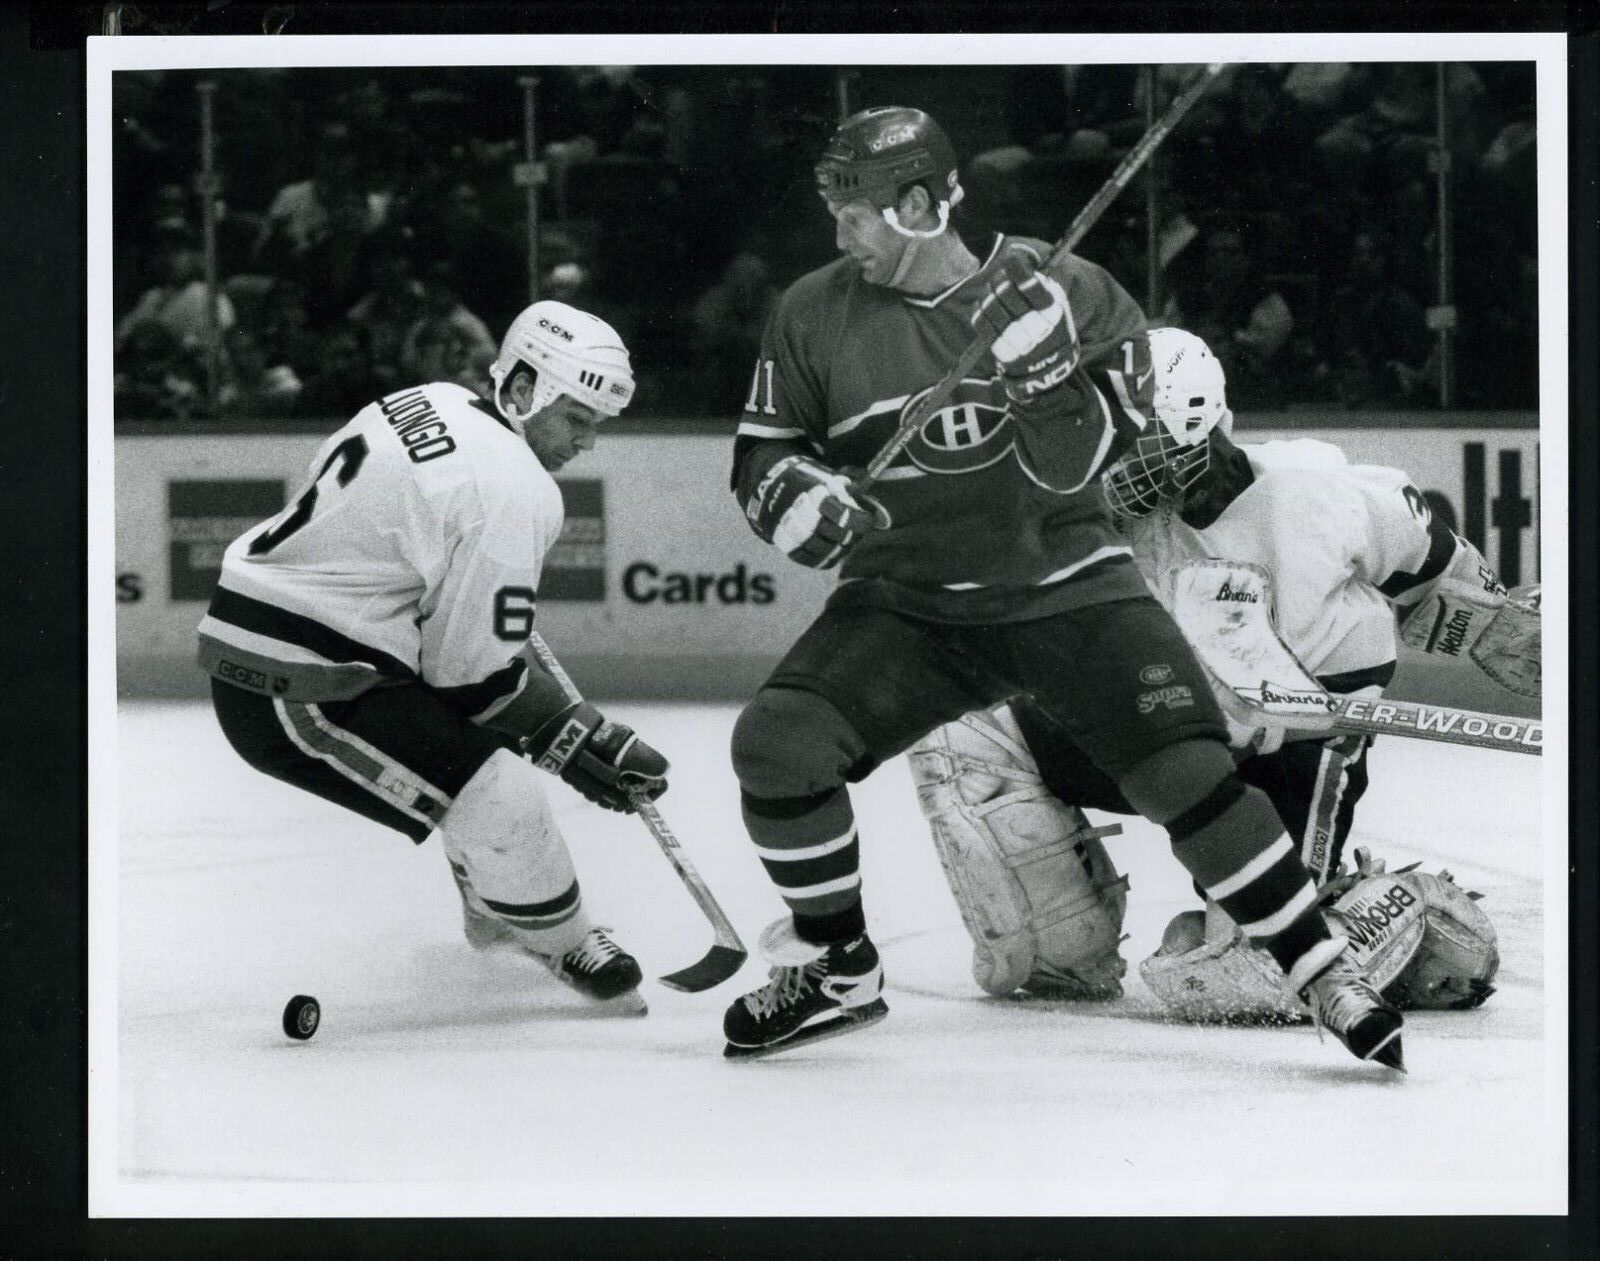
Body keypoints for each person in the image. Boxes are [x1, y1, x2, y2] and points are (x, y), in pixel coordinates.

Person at [719, 107, 1402, 1069]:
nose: (842, 236)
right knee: (777, 747)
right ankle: (837, 967)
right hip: (908, 598)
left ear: (919, 204)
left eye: (859, 214)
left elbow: (1086, 472)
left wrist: (1045, 381)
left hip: (1069, 585)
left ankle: (1321, 966)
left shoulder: (1069, 289)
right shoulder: (811, 312)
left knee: (1186, 775)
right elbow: (766, 452)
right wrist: (792, 494)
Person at [910, 327, 1526, 1021]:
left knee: (1253, 978)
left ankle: (1377, 915)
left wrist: (1503, 632)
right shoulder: (1111, 525)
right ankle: (1065, 947)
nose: (1113, 469)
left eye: (1132, 447)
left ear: (1197, 426)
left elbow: (1431, 560)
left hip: (1300, 754)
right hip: (1180, 746)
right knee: (969, 734)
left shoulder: (1316, 492)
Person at [196, 301, 668, 1008]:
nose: (588, 442)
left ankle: (494, 906)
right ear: (526, 390)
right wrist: (580, 735)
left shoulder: (428, 399)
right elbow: (473, 677)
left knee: (471, 755)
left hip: (294, 644)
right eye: (577, 419)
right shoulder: (515, 488)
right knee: (502, 796)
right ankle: (559, 936)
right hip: (300, 686)